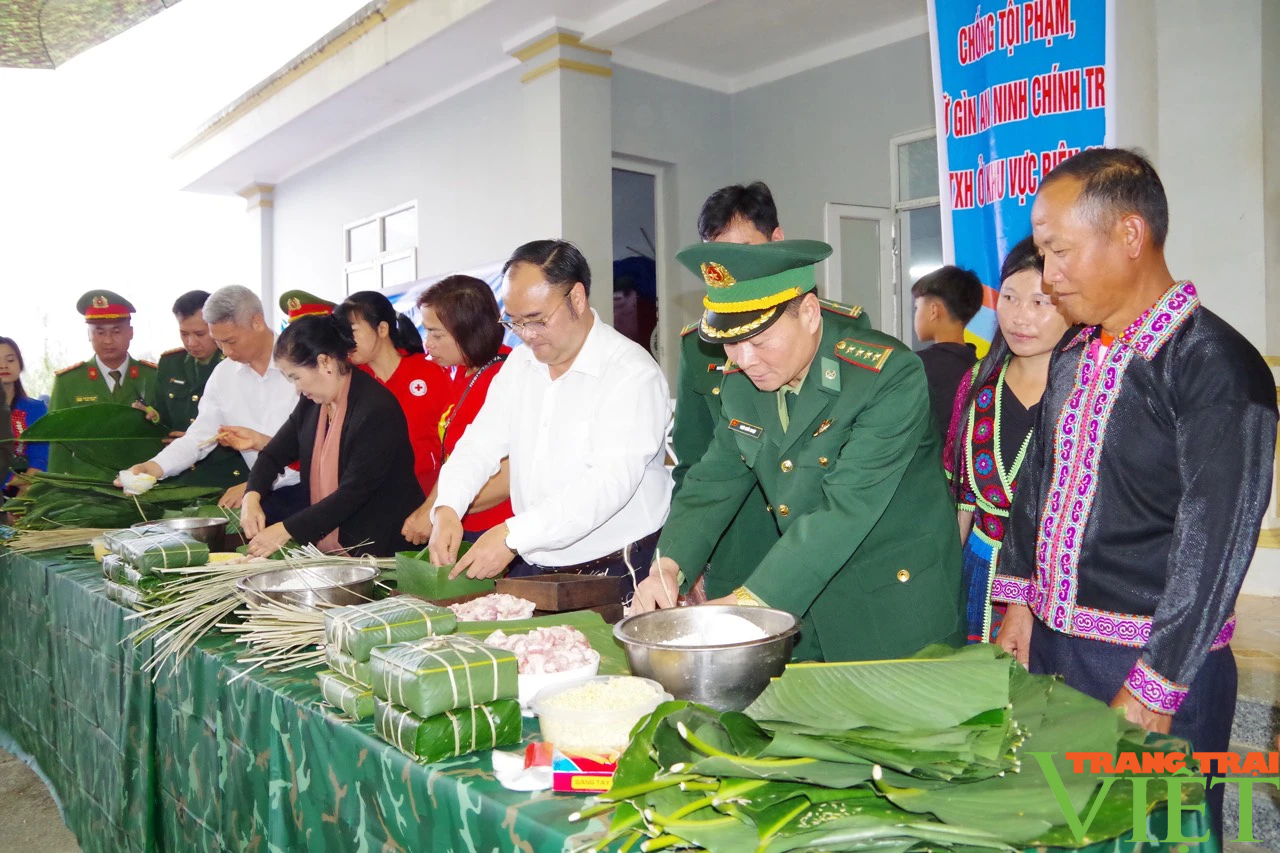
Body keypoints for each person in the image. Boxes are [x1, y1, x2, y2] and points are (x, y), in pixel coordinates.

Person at [994, 148, 1277, 833]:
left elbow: (1215, 543)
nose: (1049, 276)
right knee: (1066, 827)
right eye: (1041, 253)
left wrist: (1155, 686)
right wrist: (1021, 602)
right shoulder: (1074, 354)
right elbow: (1039, 482)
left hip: (1151, 665)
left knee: (1156, 834)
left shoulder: (1215, 367)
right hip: (1057, 652)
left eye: (1060, 252)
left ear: (1129, 235)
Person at [633, 240, 965, 663]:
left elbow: (845, 508)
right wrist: (669, 563)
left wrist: (750, 605)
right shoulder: (742, 383)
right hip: (803, 605)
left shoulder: (887, 377)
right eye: (730, 343)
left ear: (809, 313)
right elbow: (712, 481)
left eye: (760, 341)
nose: (744, 359)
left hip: (889, 607)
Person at [428, 240, 670, 598]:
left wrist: (513, 534)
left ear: (576, 298)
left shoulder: (630, 373)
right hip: (539, 561)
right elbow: (479, 445)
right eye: (515, 322)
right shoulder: (520, 365)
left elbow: (607, 484)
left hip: (620, 564)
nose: (526, 334)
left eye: (537, 320)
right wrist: (448, 505)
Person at [672, 181, 872, 602]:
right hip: (738, 542)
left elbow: (853, 474)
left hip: (819, 542)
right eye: (719, 258)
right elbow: (695, 464)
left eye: (743, 252)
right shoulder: (698, 345)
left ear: (777, 241)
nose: (744, 359)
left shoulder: (845, 331)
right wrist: (686, 561)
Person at [943, 237, 1066, 644]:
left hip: (1055, 587)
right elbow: (961, 502)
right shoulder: (978, 383)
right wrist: (941, 585)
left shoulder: (1089, 391)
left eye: (1039, 302)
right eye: (1009, 298)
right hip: (977, 573)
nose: (1019, 317)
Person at [241, 314, 424, 558]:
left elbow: (352, 494)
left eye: (295, 377)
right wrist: (251, 497)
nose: (297, 388)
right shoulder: (313, 404)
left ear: (324, 362)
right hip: (335, 550)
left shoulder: (375, 409)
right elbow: (273, 454)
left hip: (382, 549)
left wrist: (285, 530)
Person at [119, 285, 305, 519]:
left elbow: (316, 450)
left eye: (231, 341)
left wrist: (257, 484)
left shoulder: (302, 364)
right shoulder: (224, 374)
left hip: (312, 493)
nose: (226, 352)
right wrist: (153, 468)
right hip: (259, 498)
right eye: (219, 343)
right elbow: (200, 437)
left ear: (257, 322)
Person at [401, 275, 513, 546]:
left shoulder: (507, 375)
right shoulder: (462, 372)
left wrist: (436, 510)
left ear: (469, 330)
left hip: (496, 532)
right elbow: (455, 457)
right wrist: (433, 506)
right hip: (462, 521)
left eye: (436, 334)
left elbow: (510, 476)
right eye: (426, 332)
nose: (428, 344)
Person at [336, 291, 451, 495]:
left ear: (382, 329)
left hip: (431, 495)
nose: (345, 340)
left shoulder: (430, 372)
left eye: (352, 330)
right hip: (374, 497)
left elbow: (454, 440)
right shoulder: (349, 382)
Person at [141, 290, 244, 488]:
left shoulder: (235, 365)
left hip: (227, 475)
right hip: (182, 477)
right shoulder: (170, 363)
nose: (191, 342)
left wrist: (199, 440)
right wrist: (151, 417)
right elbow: (163, 418)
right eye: (184, 334)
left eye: (199, 334)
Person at [48, 290, 157, 476]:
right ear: (89, 335)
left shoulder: (154, 376)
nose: (108, 340)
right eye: (99, 332)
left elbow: (168, 429)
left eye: (116, 331)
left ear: (130, 333)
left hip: (142, 481)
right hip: (89, 486)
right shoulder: (69, 381)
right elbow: (58, 442)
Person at [912, 265, 984, 437]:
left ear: (933, 310)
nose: (915, 314)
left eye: (917, 307)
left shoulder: (915, 368)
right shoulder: (981, 369)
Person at [0, 337, 48, 494]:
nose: (4, 365)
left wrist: (24, 488)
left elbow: (41, 455)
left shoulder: (36, 408)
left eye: (10, 359)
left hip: (25, 489)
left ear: (20, 364)